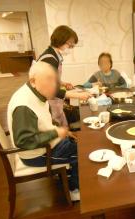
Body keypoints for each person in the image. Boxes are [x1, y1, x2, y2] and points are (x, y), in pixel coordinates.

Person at [7, 62, 80, 201]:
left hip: (46, 145)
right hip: (37, 154)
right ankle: (74, 190)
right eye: (48, 80)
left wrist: (61, 131)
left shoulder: (36, 93)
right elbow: (24, 141)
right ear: (33, 81)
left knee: (76, 140)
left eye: (54, 80)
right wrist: (56, 133)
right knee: (80, 152)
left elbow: (44, 122)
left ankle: (69, 174)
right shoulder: (24, 105)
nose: (53, 85)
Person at [38, 25, 91, 126]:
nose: (70, 48)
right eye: (70, 45)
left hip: (54, 102)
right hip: (48, 103)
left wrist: (62, 83)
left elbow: (49, 78)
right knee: (57, 131)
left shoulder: (54, 56)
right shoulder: (49, 59)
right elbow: (49, 89)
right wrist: (77, 95)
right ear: (60, 40)